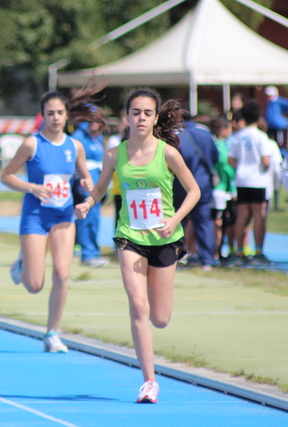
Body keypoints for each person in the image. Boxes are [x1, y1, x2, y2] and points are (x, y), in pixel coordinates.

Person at [75, 88, 199, 403]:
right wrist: (88, 203)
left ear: (155, 118)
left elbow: (194, 191)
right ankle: (149, 381)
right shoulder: (114, 155)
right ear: (126, 117)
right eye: (135, 112)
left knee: (160, 317)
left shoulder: (168, 153)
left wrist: (175, 221)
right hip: (130, 237)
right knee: (138, 306)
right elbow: (102, 185)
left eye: (147, 113)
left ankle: (150, 373)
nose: (140, 118)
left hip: (164, 239)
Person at [1, 87, 105, 354]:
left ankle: (52, 333)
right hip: (35, 215)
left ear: (67, 114)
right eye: (50, 113)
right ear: (43, 115)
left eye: (60, 112)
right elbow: (6, 176)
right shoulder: (32, 144)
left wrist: (87, 185)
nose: (56, 118)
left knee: (61, 274)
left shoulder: (75, 146)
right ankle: (22, 264)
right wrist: (31, 187)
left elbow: (85, 177)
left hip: (63, 215)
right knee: (34, 285)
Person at [228, 101, 273, 265]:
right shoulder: (261, 136)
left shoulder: (237, 136)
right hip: (257, 180)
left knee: (242, 216)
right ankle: (259, 251)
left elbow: (230, 159)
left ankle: (240, 251)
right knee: (259, 216)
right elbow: (266, 161)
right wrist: (260, 170)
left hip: (241, 179)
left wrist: (241, 167)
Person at [173, 112, 218, 270]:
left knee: (179, 221)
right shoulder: (205, 133)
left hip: (181, 184)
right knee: (204, 222)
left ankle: (178, 257)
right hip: (203, 183)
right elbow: (215, 156)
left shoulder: (178, 136)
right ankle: (207, 259)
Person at [72, 120, 108, 267]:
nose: (95, 124)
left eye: (98, 120)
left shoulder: (97, 137)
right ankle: (88, 253)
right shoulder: (79, 137)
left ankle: (89, 251)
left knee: (94, 219)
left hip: (98, 182)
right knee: (87, 218)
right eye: (91, 120)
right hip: (86, 184)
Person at [208, 117, 236, 261]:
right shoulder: (221, 146)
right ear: (224, 130)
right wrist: (233, 183)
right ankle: (215, 254)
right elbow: (226, 168)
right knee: (217, 223)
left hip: (210, 188)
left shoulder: (210, 144)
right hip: (220, 190)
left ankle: (201, 252)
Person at [107, 110, 128, 230]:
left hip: (137, 186)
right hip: (119, 186)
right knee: (119, 216)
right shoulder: (114, 140)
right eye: (124, 117)